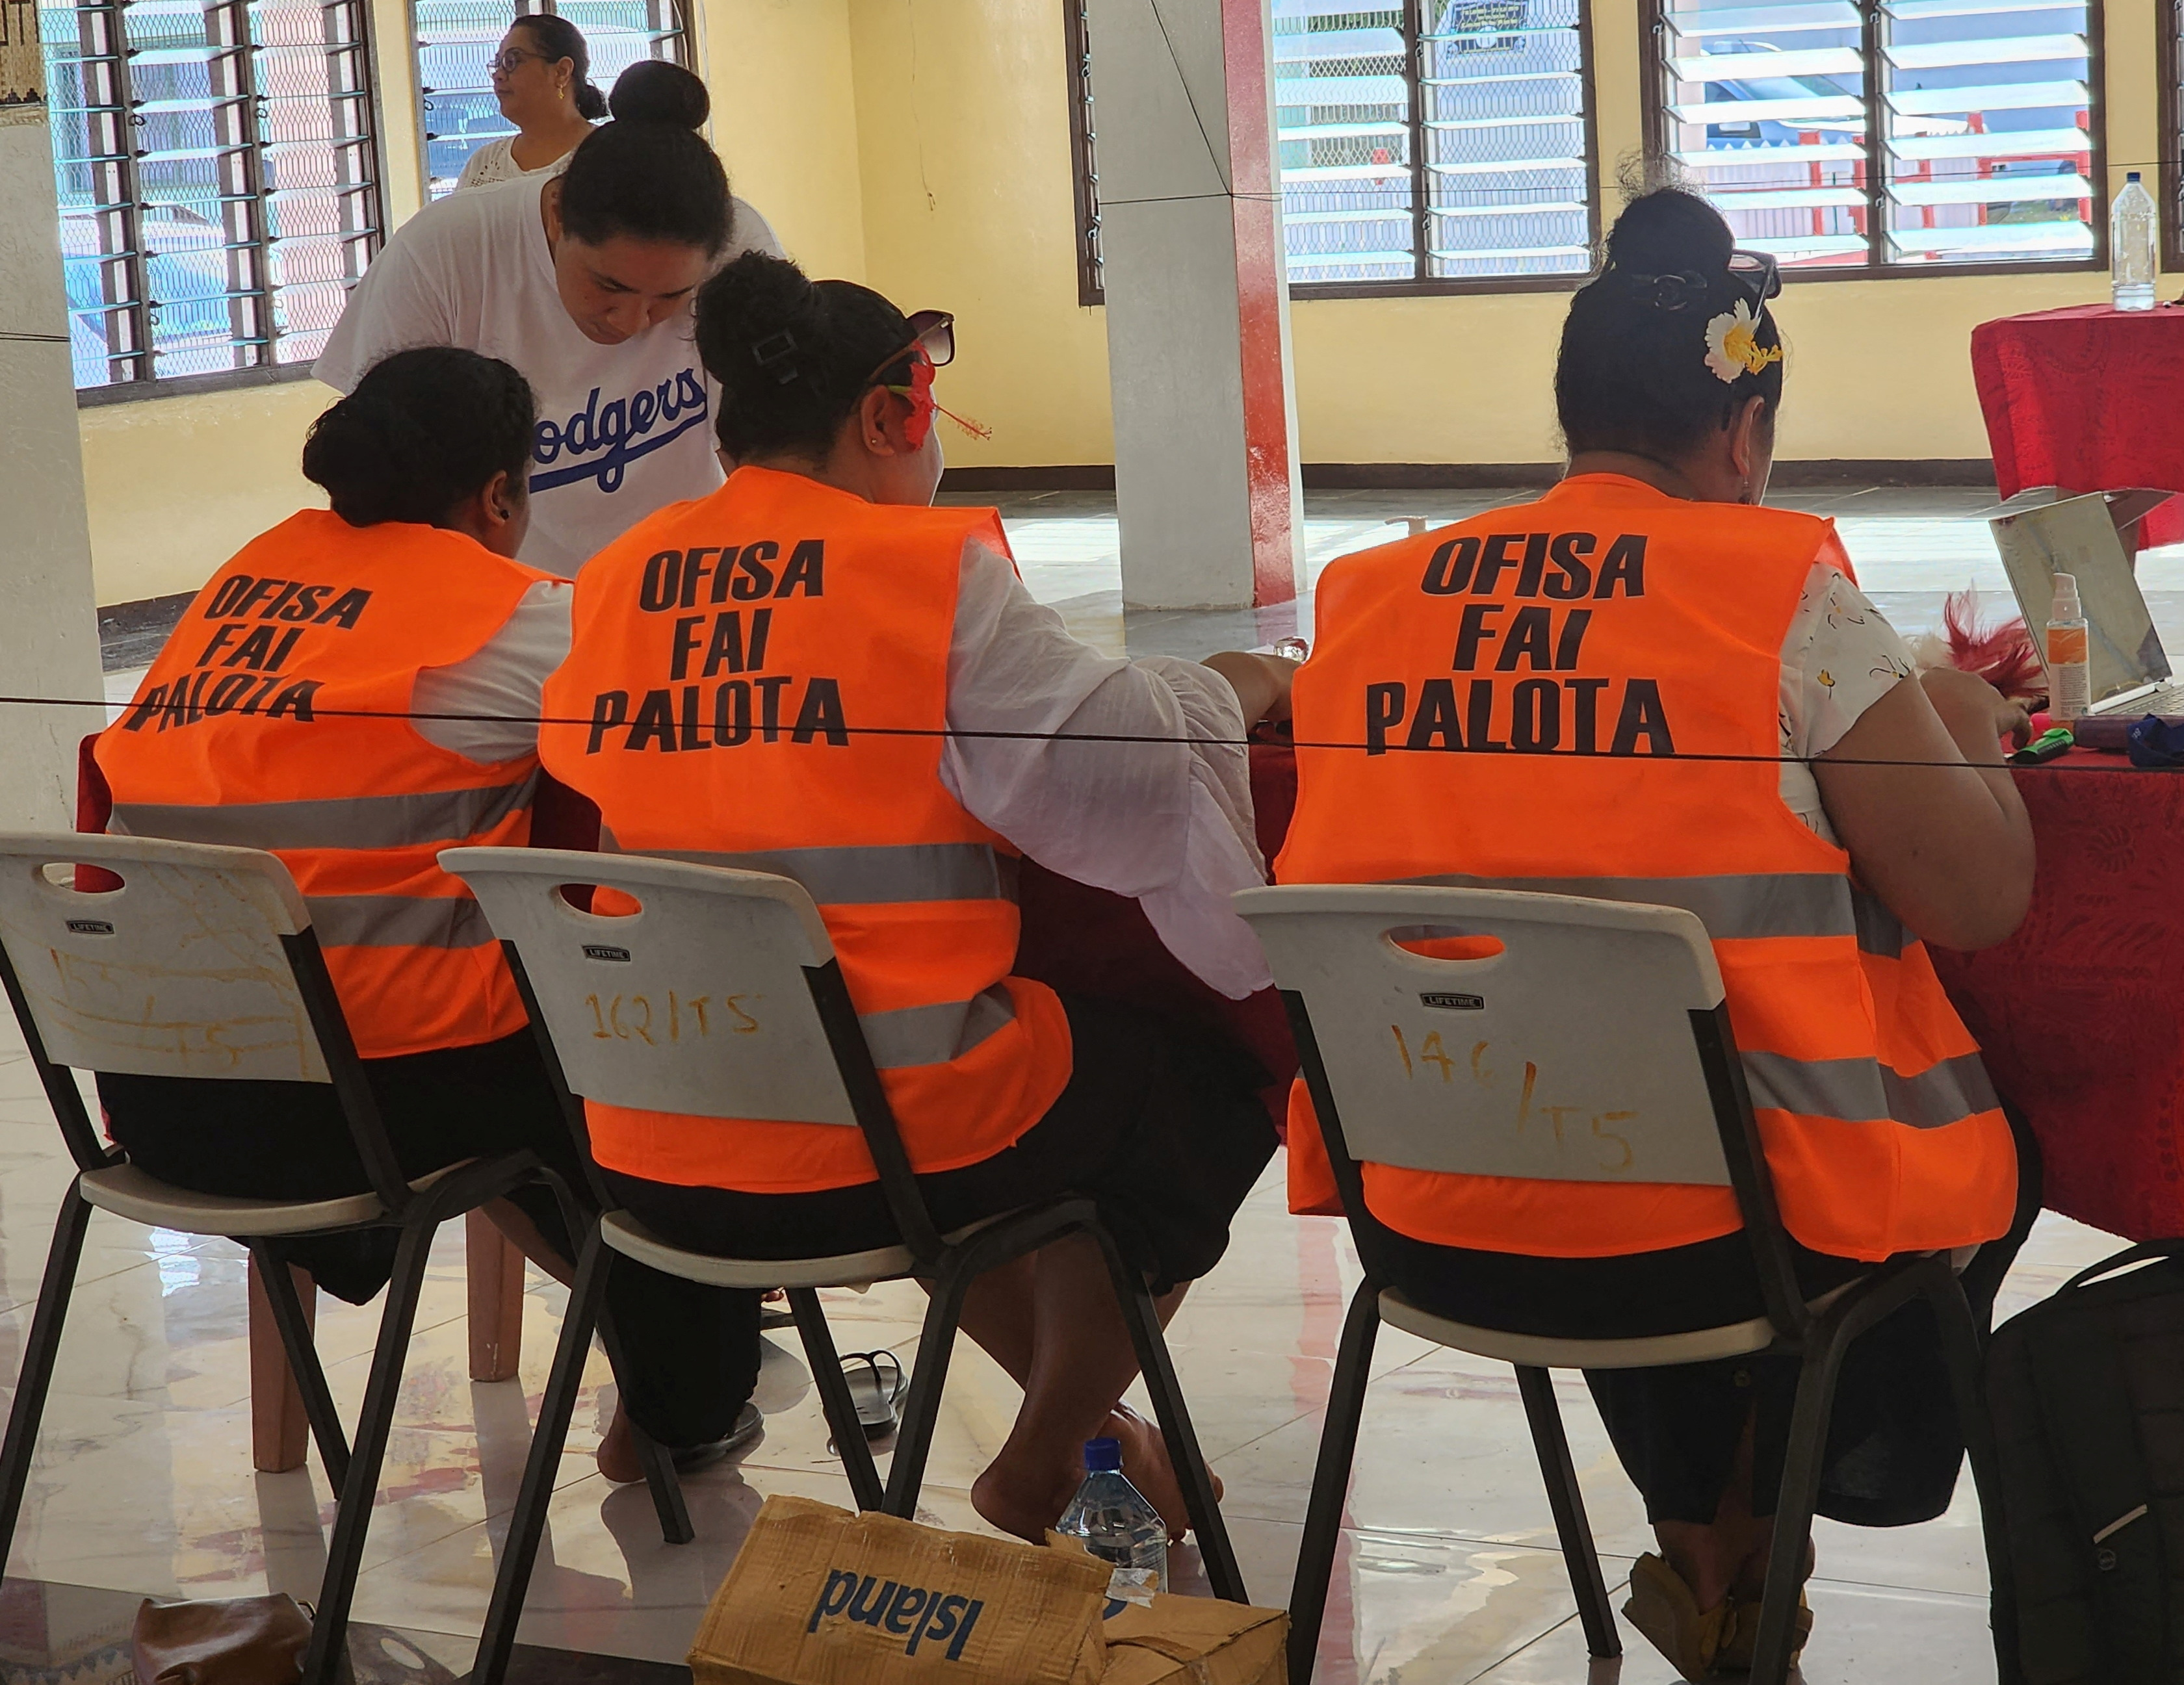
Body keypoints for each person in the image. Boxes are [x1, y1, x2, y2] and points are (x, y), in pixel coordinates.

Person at [1277, 187, 2040, 1682]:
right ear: (1743, 437)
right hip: (1732, 1249)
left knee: (1641, 1135)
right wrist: (1968, 730)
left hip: (1436, 1221)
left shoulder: (1367, 598)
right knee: (1889, 1153)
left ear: (1572, 414)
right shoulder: (1784, 601)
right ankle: (1761, 1547)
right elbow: (1977, 900)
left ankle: (1715, 1554)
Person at [537, 251, 1297, 1543]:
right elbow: (1109, 756)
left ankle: (1096, 1432)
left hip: (645, 1145)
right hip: (879, 1137)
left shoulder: (615, 579)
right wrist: (1230, 686)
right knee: (1210, 1076)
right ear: (895, 414)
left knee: (1054, 1062)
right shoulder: (924, 572)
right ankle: (1055, 1447)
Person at [92, 346, 764, 1482]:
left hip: (157, 1094)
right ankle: (685, 1406)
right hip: (367, 1104)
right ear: (501, 496)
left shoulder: (236, 587)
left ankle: (659, 1363)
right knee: (644, 1070)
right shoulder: (507, 616)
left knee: (536, 1078)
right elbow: (697, 737)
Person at [316, 62, 783, 578]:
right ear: (558, 215)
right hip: (505, 599)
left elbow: (771, 456)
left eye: (669, 297)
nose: (631, 321)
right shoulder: (445, 252)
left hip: (685, 591)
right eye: (609, 286)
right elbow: (384, 479)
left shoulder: (740, 246)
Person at [456, 15, 604, 190]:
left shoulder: (609, 156)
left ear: (561, 72)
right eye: (498, 63)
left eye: (511, 61)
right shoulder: (484, 164)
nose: (498, 75)